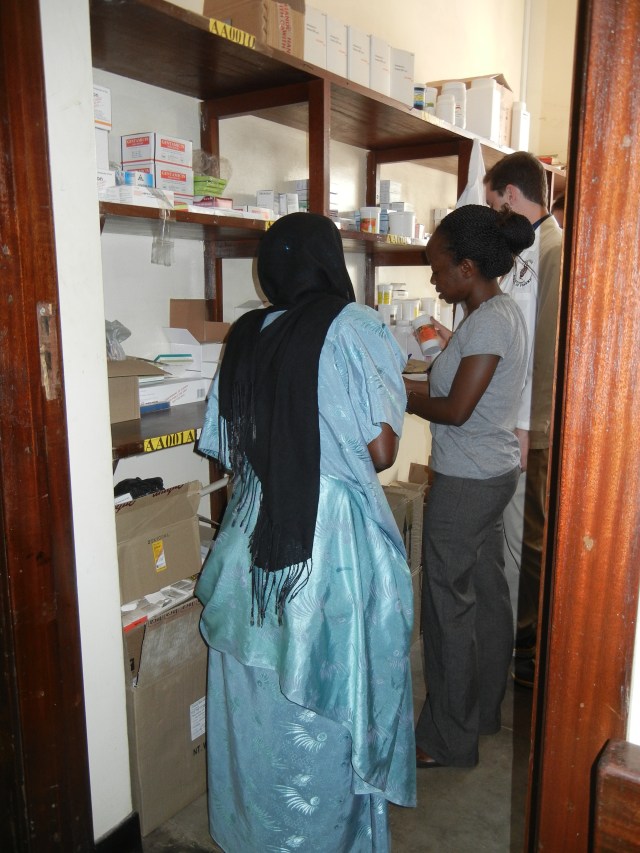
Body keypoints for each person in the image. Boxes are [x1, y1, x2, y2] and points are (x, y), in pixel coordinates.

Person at [195, 212, 416, 851]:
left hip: (251, 535)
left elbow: (223, 443)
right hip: (329, 542)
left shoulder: (244, 333)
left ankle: (253, 834)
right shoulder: (354, 326)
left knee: (256, 697)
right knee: (328, 694)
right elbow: (380, 452)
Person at [405, 204, 534, 768]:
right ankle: (481, 713)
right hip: (493, 470)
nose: (432, 276)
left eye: (437, 267)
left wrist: (401, 394)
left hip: (467, 482)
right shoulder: (494, 313)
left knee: (447, 607)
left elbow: (456, 409)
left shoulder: (487, 322)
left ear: (466, 267)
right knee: (484, 594)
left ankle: (446, 739)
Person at [483, 151, 563, 687]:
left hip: (533, 427)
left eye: (494, 204)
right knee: (514, 539)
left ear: (512, 195)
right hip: (513, 420)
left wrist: (533, 426)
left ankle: (528, 653)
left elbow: (553, 350)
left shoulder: (555, 249)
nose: (494, 215)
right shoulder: (527, 248)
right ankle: (515, 640)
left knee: (531, 540)